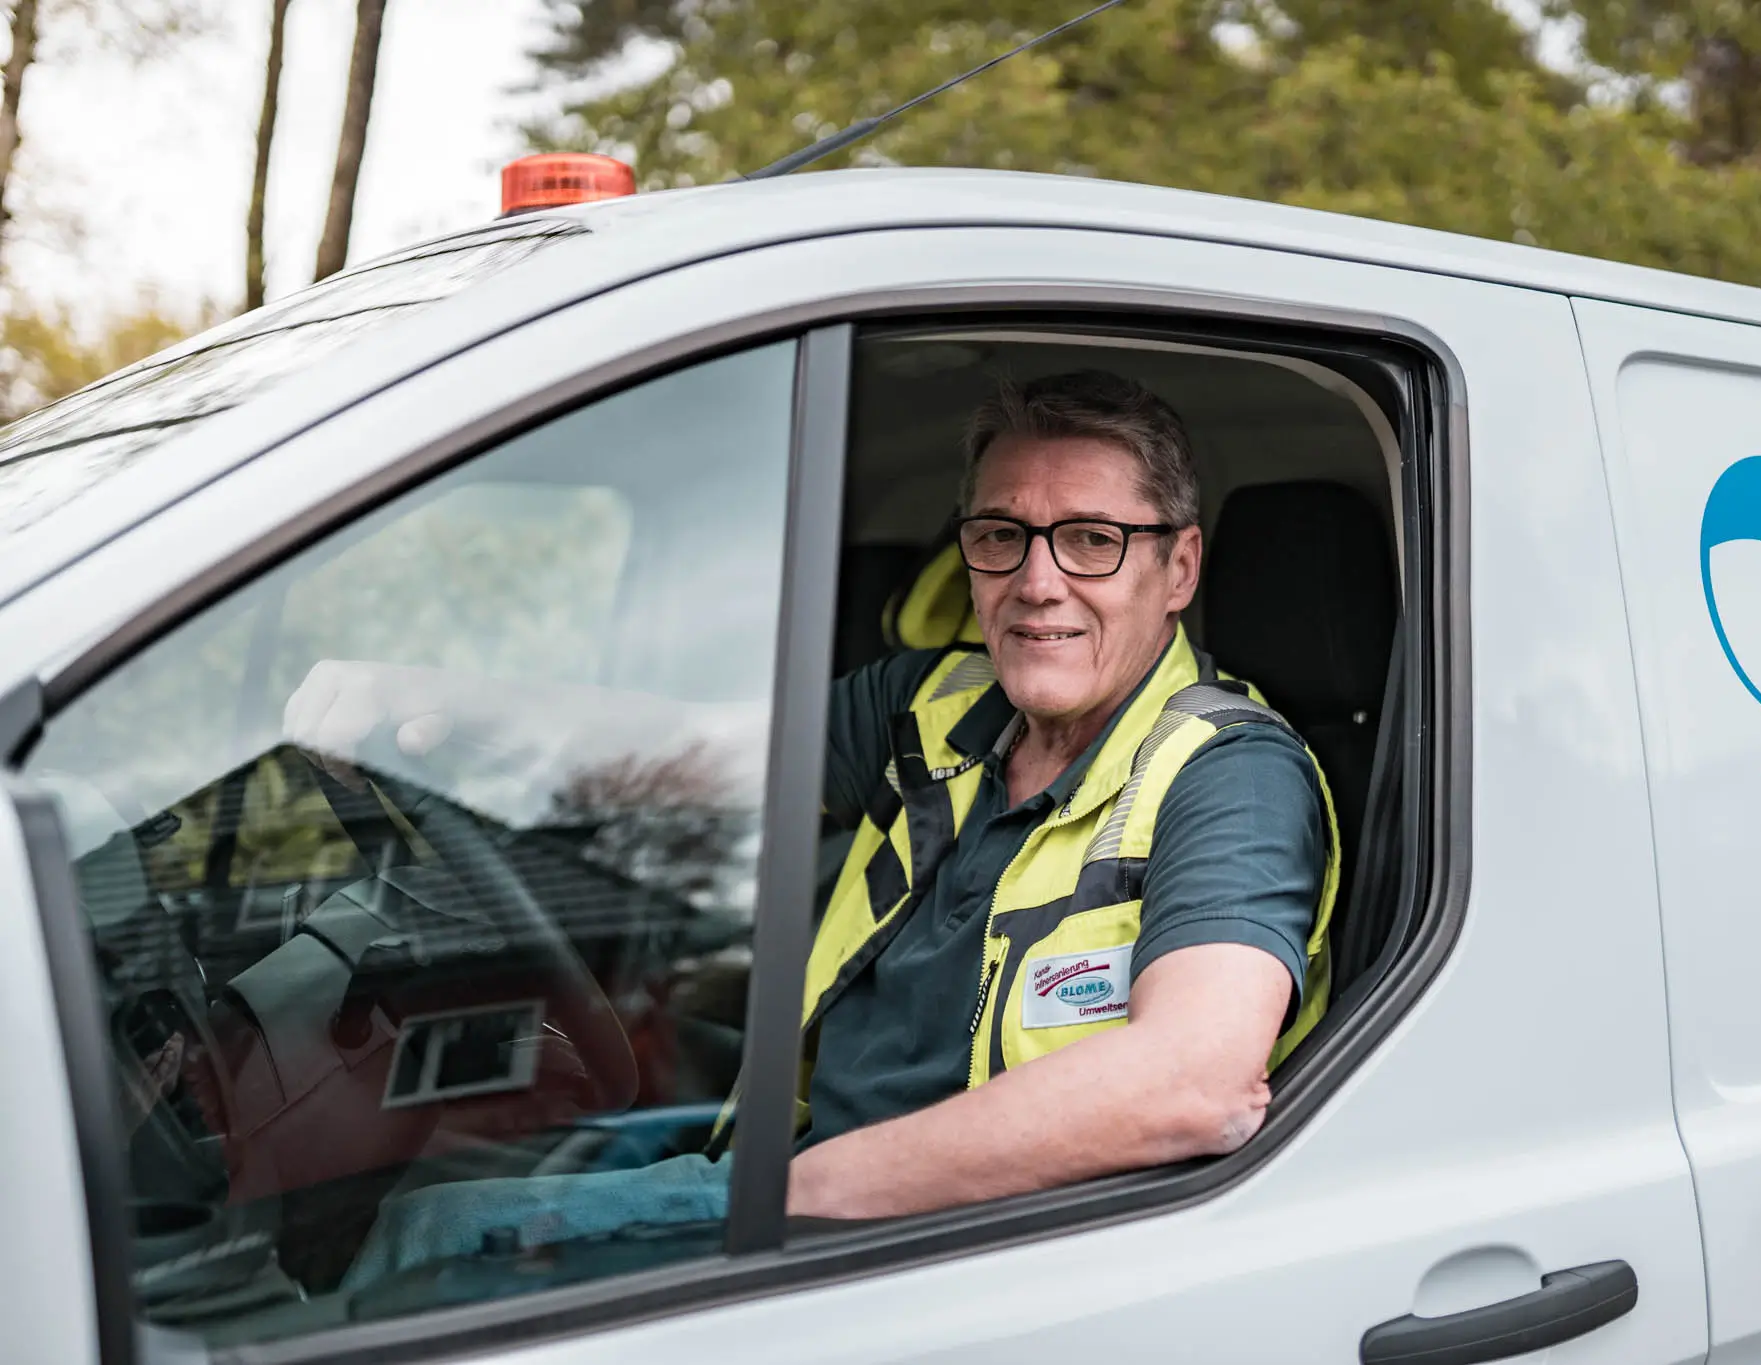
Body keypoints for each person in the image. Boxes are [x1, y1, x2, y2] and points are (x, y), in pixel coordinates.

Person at [287, 369, 1340, 1280]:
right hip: (798, 1176)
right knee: (426, 1200)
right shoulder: (936, 704)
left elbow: (1190, 1083)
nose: (1035, 582)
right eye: (998, 536)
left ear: (1181, 568)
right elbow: (686, 754)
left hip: (960, 1253)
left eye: (1091, 542)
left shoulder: (1229, 775)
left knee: (414, 1255)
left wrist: (781, 1213)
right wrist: (437, 706)